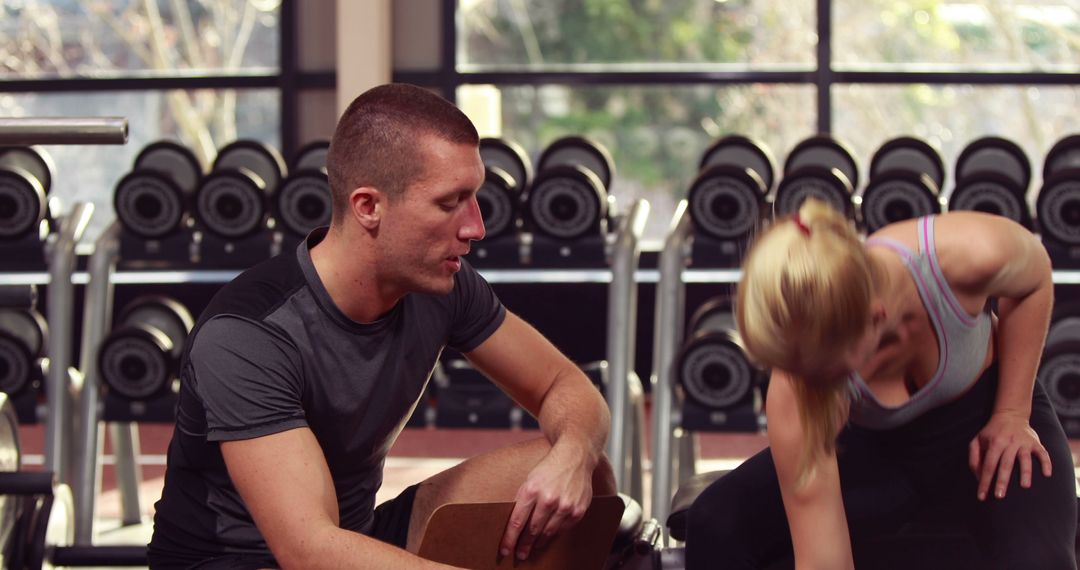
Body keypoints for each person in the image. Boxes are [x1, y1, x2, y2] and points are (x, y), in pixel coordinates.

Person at [148, 83, 615, 569]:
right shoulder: (249, 334)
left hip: (354, 538)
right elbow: (307, 550)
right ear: (368, 206)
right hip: (241, 560)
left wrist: (574, 456)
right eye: (450, 202)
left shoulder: (444, 285)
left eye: (474, 197)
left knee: (586, 479)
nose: (475, 227)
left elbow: (567, 385)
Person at [685, 198, 1077, 569]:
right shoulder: (800, 385)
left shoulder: (963, 255)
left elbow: (1035, 277)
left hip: (986, 415)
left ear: (875, 318)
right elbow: (825, 560)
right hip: (874, 445)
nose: (810, 384)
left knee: (1038, 561)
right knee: (715, 523)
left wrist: (1011, 411)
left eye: (828, 373)